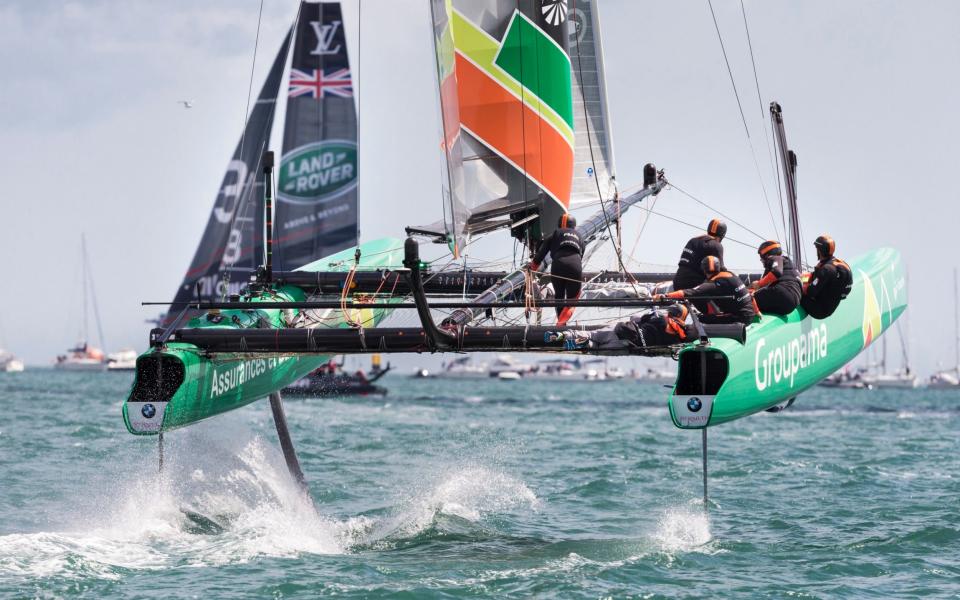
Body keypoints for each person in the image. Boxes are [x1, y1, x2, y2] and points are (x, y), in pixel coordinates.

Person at [546, 305, 692, 351]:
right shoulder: (678, 336)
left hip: (622, 331)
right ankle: (574, 344)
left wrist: (653, 311)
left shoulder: (660, 319)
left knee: (590, 334)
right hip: (627, 346)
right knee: (594, 346)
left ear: (673, 312)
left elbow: (636, 319)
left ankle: (559, 336)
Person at [661, 256, 756, 324]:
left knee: (701, 318)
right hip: (750, 314)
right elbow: (750, 295)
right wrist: (757, 312)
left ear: (704, 270)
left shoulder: (713, 284)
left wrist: (665, 296)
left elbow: (688, 292)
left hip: (739, 319)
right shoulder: (730, 274)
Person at [530, 213, 583, 326]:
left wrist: (531, 270)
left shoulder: (555, 234)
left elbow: (540, 255)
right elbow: (580, 255)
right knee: (572, 300)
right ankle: (560, 324)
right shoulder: (580, 236)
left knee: (559, 297)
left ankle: (560, 327)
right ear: (574, 226)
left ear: (560, 225)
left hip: (558, 265)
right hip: (575, 265)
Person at [801, 234, 853, 319]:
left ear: (819, 250)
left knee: (795, 292)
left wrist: (797, 285)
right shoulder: (836, 263)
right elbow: (815, 276)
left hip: (819, 310)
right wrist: (801, 277)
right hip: (829, 306)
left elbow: (810, 291)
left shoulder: (826, 270)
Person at [750, 240, 802, 315]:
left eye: (761, 257)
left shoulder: (775, 258)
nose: (761, 260)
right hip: (792, 304)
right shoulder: (790, 265)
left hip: (782, 293)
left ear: (767, 255)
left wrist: (759, 283)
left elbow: (777, 272)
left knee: (745, 300)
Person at [672, 219, 726, 291]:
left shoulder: (692, 240)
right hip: (695, 285)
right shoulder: (716, 245)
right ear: (722, 235)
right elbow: (721, 271)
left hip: (677, 282)